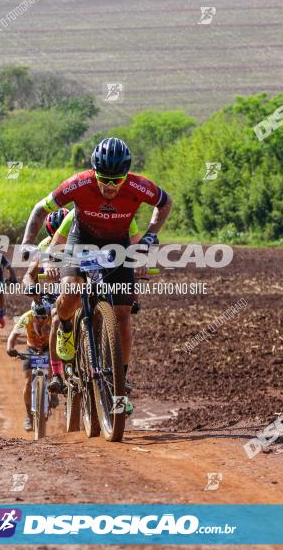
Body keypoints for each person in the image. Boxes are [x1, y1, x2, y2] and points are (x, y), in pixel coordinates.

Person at [20, 137, 172, 414]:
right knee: (71, 290)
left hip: (118, 247)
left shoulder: (139, 185)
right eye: (104, 179)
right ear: (94, 173)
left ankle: (120, 384)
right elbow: (40, 210)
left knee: (124, 313)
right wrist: (29, 247)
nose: (110, 187)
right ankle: (66, 327)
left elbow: (165, 203)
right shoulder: (79, 183)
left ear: (126, 175)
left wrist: (149, 237)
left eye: (117, 180)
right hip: (80, 241)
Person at [6, 301, 54, 431]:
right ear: (33, 313)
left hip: (47, 348)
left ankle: (52, 391)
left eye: (45, 317)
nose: (42, 320)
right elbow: (13, 335)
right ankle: (28, 415)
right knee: (27, 382)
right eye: (38, 317)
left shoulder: (53, 317)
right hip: (31, 349)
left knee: (53, 371)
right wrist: (10, 348)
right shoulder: (26, 317)